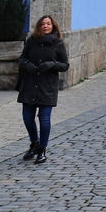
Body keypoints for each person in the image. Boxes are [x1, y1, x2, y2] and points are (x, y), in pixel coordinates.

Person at [18, 15, 69, 164]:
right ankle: (34, 143)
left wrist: (52, 64)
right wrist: (27, 64)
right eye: (43, 24)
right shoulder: (31, 41)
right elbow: (22, 58)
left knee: (44, 118)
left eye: (49, 24)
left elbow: (65, 65)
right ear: (39, 26)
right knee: (27, 117)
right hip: (30, 84)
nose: (46, 26)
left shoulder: (58, 43)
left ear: (53, 26)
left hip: (48, 86)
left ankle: (42, 149)